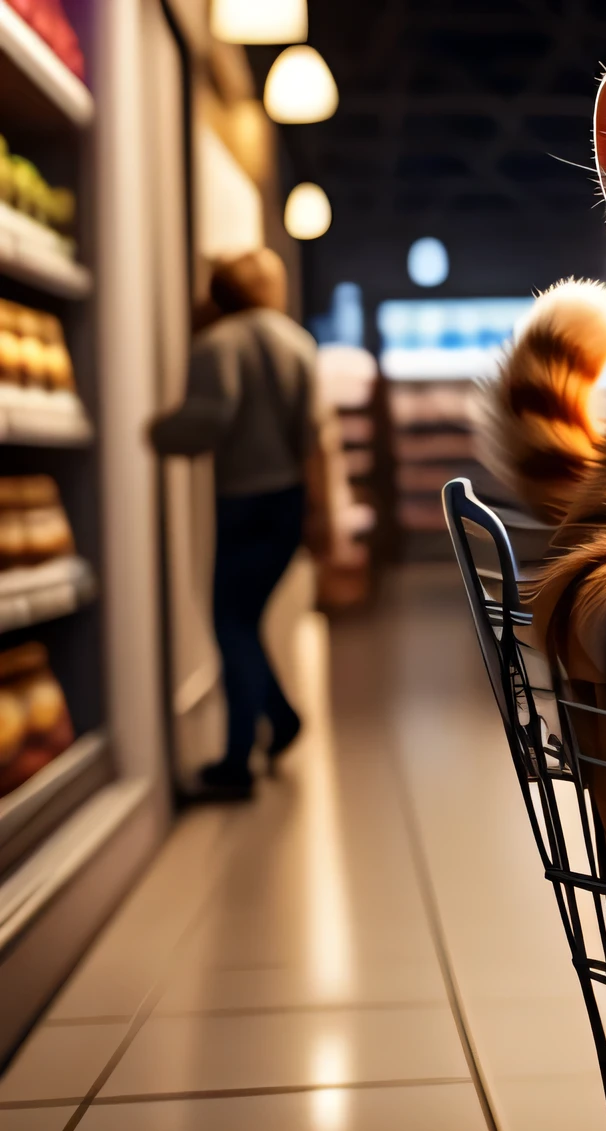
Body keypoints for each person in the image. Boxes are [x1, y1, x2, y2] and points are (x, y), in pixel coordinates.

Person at [150, 248, 316, 801]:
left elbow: (209, 418)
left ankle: (237, 761)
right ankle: (280, 718)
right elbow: (313, 435)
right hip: (289, 500)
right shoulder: (297, 342)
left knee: (230, 622)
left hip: (242, 501)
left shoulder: (218, 343)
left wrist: (157, 433)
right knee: (243, 621)